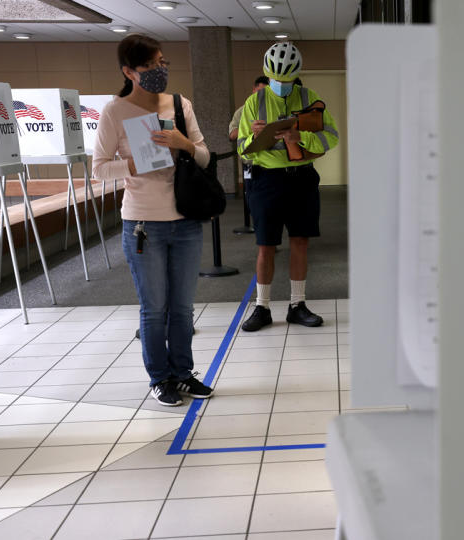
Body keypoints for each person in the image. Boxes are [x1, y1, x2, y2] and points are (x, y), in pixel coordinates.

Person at [92, 33, 214, 406]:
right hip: (143, 223)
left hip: (185, 219)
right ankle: (159, 378)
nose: (159, 70)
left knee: (183, 307)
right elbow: (98, 171)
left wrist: (183, 145)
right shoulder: (115, 111)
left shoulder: (179, 104)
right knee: (154, 307)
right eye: (149, 66)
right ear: (129, 71)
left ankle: (183, 372)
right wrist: (135, 162)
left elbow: (206, 158)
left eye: (162, 62)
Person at [236, 42, 339, 331]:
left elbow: (331, 136)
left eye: (287, 79)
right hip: (266, 179)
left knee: (300, 241)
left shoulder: (310, 97)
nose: (281, 85)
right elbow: (242, 149)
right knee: (266, 245)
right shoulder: (253, 103)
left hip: (302, 177)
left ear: (296, 75)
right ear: (267, 73)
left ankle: (297, 305)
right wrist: (257, 138)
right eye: (276, 80)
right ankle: (262, 307)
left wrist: (298, 137)